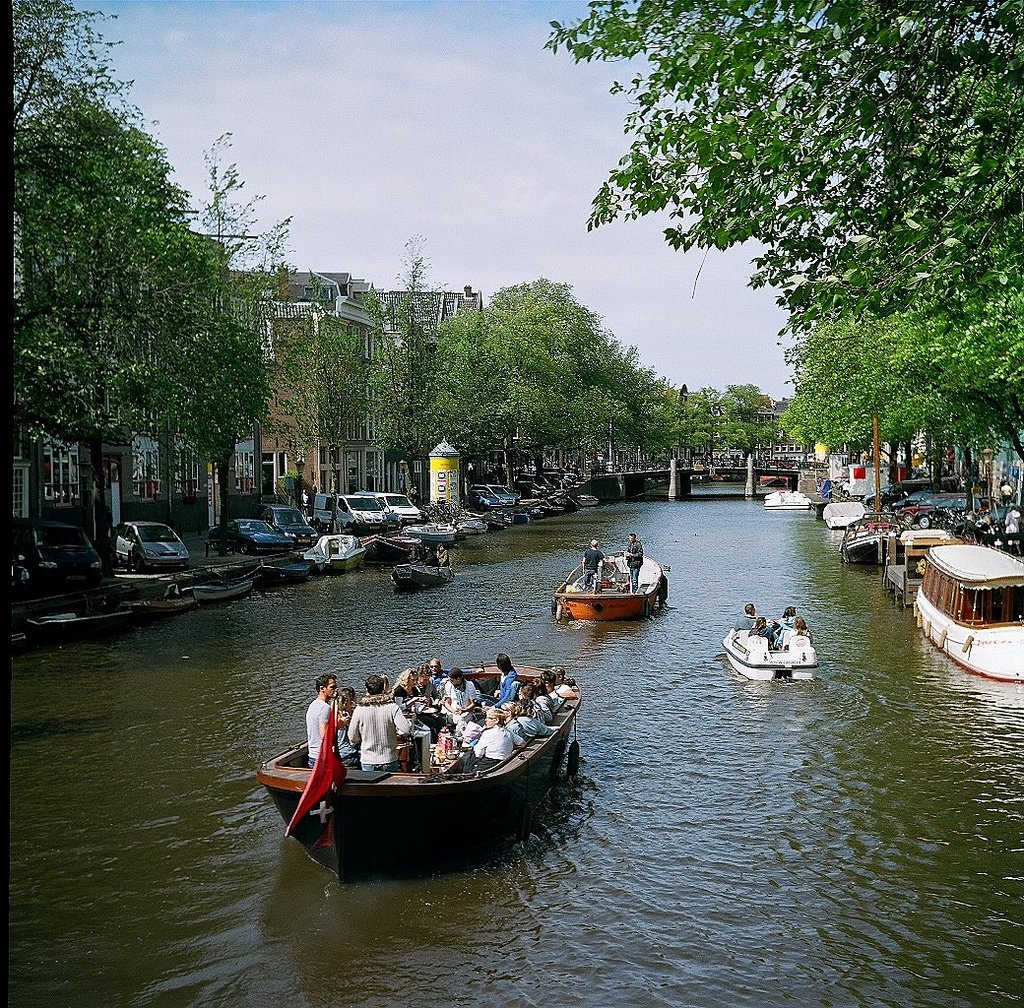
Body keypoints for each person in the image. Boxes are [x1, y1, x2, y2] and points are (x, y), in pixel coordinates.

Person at [347, 674, 411, 773]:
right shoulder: (392, 707)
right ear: (383, 689)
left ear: (367, 690)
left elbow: (352, 737)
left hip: (368, 760)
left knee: (370, 789)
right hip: (389, 758)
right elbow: (406, 729)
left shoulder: (359, 709)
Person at [463, 707, 517, 772]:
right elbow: (522, 742)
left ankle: (464, 773)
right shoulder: (508, 731)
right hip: (503, 760)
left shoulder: (488, 733)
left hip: (490, 762)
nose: (486, 720)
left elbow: (478, 754)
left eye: (489, 718)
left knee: (467, 757)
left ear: (496, 720)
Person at [305, 673, 338, 767]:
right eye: (332, 687)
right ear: (322, 688)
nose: (335, 690)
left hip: (312, 755)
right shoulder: (325, 707)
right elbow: (324, 734)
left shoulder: (313, 705)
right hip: (322, 757)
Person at [334, 686, 361, 768]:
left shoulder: (336, 714)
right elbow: (353, 738)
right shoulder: (346, 717)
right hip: (348, 754)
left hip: (339, 753)